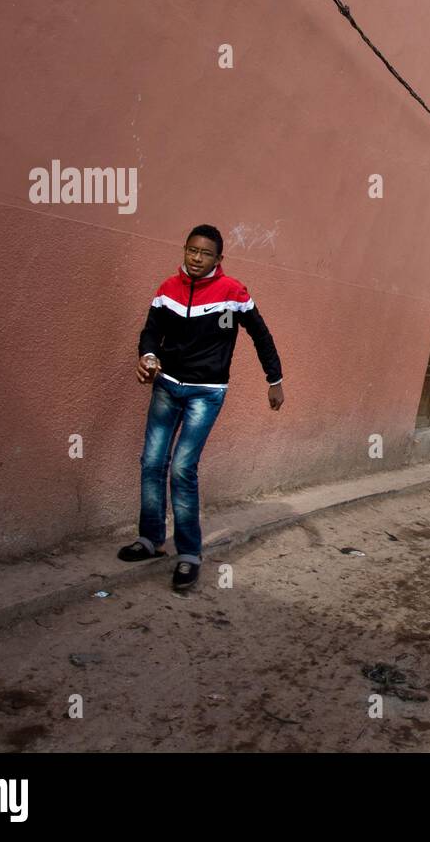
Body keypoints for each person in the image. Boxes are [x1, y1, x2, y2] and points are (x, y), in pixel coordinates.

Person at [118, 224, 284, 589]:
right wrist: (147, 356)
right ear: (184, 251)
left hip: (206, 392)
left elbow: (260, 334)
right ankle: (150, 539)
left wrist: (275, 379)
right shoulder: (167, 289)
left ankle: (190, 554)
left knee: (181, 468)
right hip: (166, 386)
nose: (196, 258)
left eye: (205, 253)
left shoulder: (233, 292)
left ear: (218, 259)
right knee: (151, 461)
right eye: (191, 251)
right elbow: (150, 331)